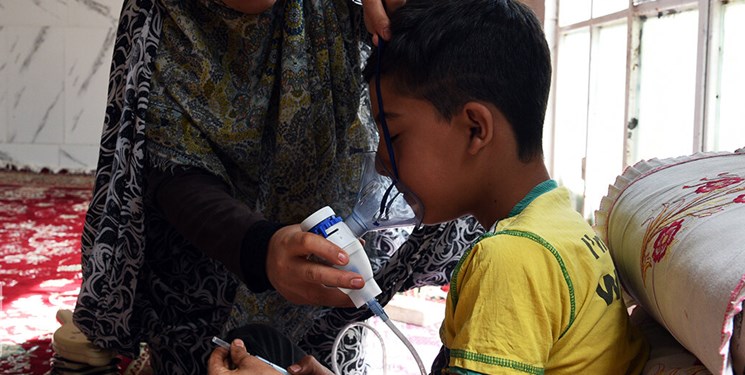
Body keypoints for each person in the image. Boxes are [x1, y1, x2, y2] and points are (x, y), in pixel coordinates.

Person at [208, 0, 650, 373]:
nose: (382, 161)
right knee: (263, 342)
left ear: (475, 128)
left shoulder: (509, 258)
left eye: (394, 134)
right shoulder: (568, 230)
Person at [72, 0, 483, 373]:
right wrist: (260, 250)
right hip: (212, 283)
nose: (380, 162)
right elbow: (168, 168)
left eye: (390, 134)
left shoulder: (495, 265)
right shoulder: (164, 26)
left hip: (333, 302)